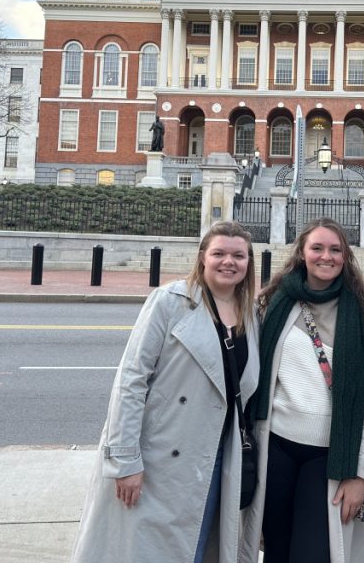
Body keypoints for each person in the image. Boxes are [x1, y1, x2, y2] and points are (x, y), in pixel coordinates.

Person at [70, 221, 259, 563]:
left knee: (197, 548)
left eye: (238, 255)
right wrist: (125, 460)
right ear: (203, 258)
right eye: (218, 253)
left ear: (249, 263)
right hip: (158, 458)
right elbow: (131, 379)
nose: (228, 262)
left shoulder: (250, 316)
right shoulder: (169, 302)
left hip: (216, 457)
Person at [240, 218, 364, 563]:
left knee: (313, 552)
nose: (326, 256)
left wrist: (362, 474)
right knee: (276, 549)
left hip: (330, 456)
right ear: (302, 253)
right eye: (317, 248)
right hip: (275, 447)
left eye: (335, 249)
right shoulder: (274, 302)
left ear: (346, 256)